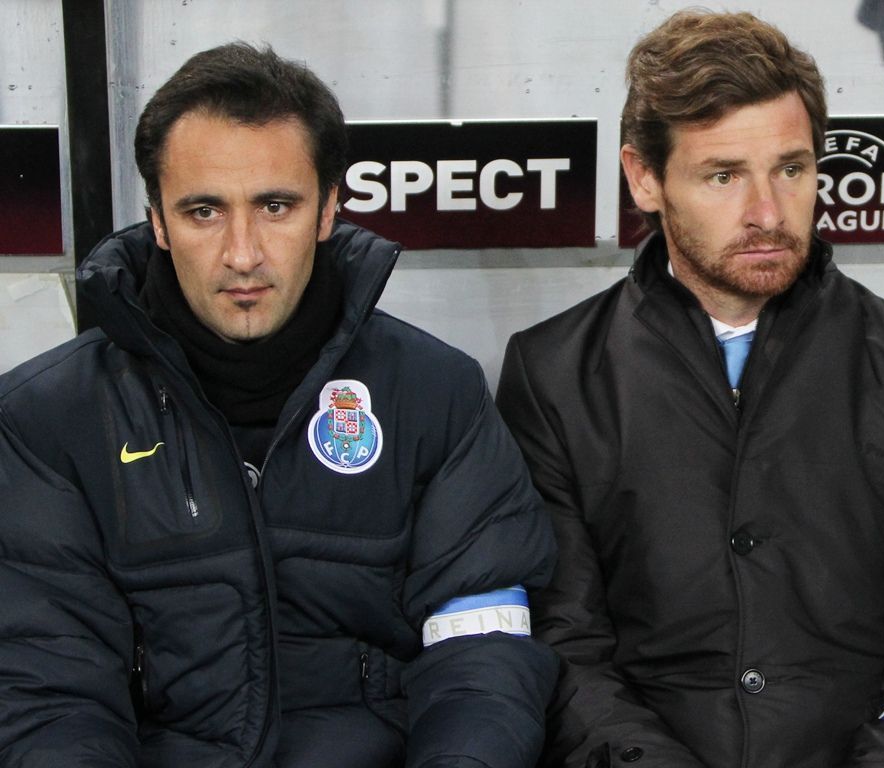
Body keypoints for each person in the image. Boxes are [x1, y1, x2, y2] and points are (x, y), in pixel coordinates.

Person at [0, 43, 557, 767]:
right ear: (158, 223)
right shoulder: (48, 418)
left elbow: (484, 657)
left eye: (275, 205)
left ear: (328, 208)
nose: (242, 252)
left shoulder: (434, 393)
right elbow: (50, 692)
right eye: (204, 211)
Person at [496, 10, 884, 768]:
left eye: (792, 169)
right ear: (644, 177)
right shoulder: (552, 374)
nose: (768, 213)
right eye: (725, 175)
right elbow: (562, 650)